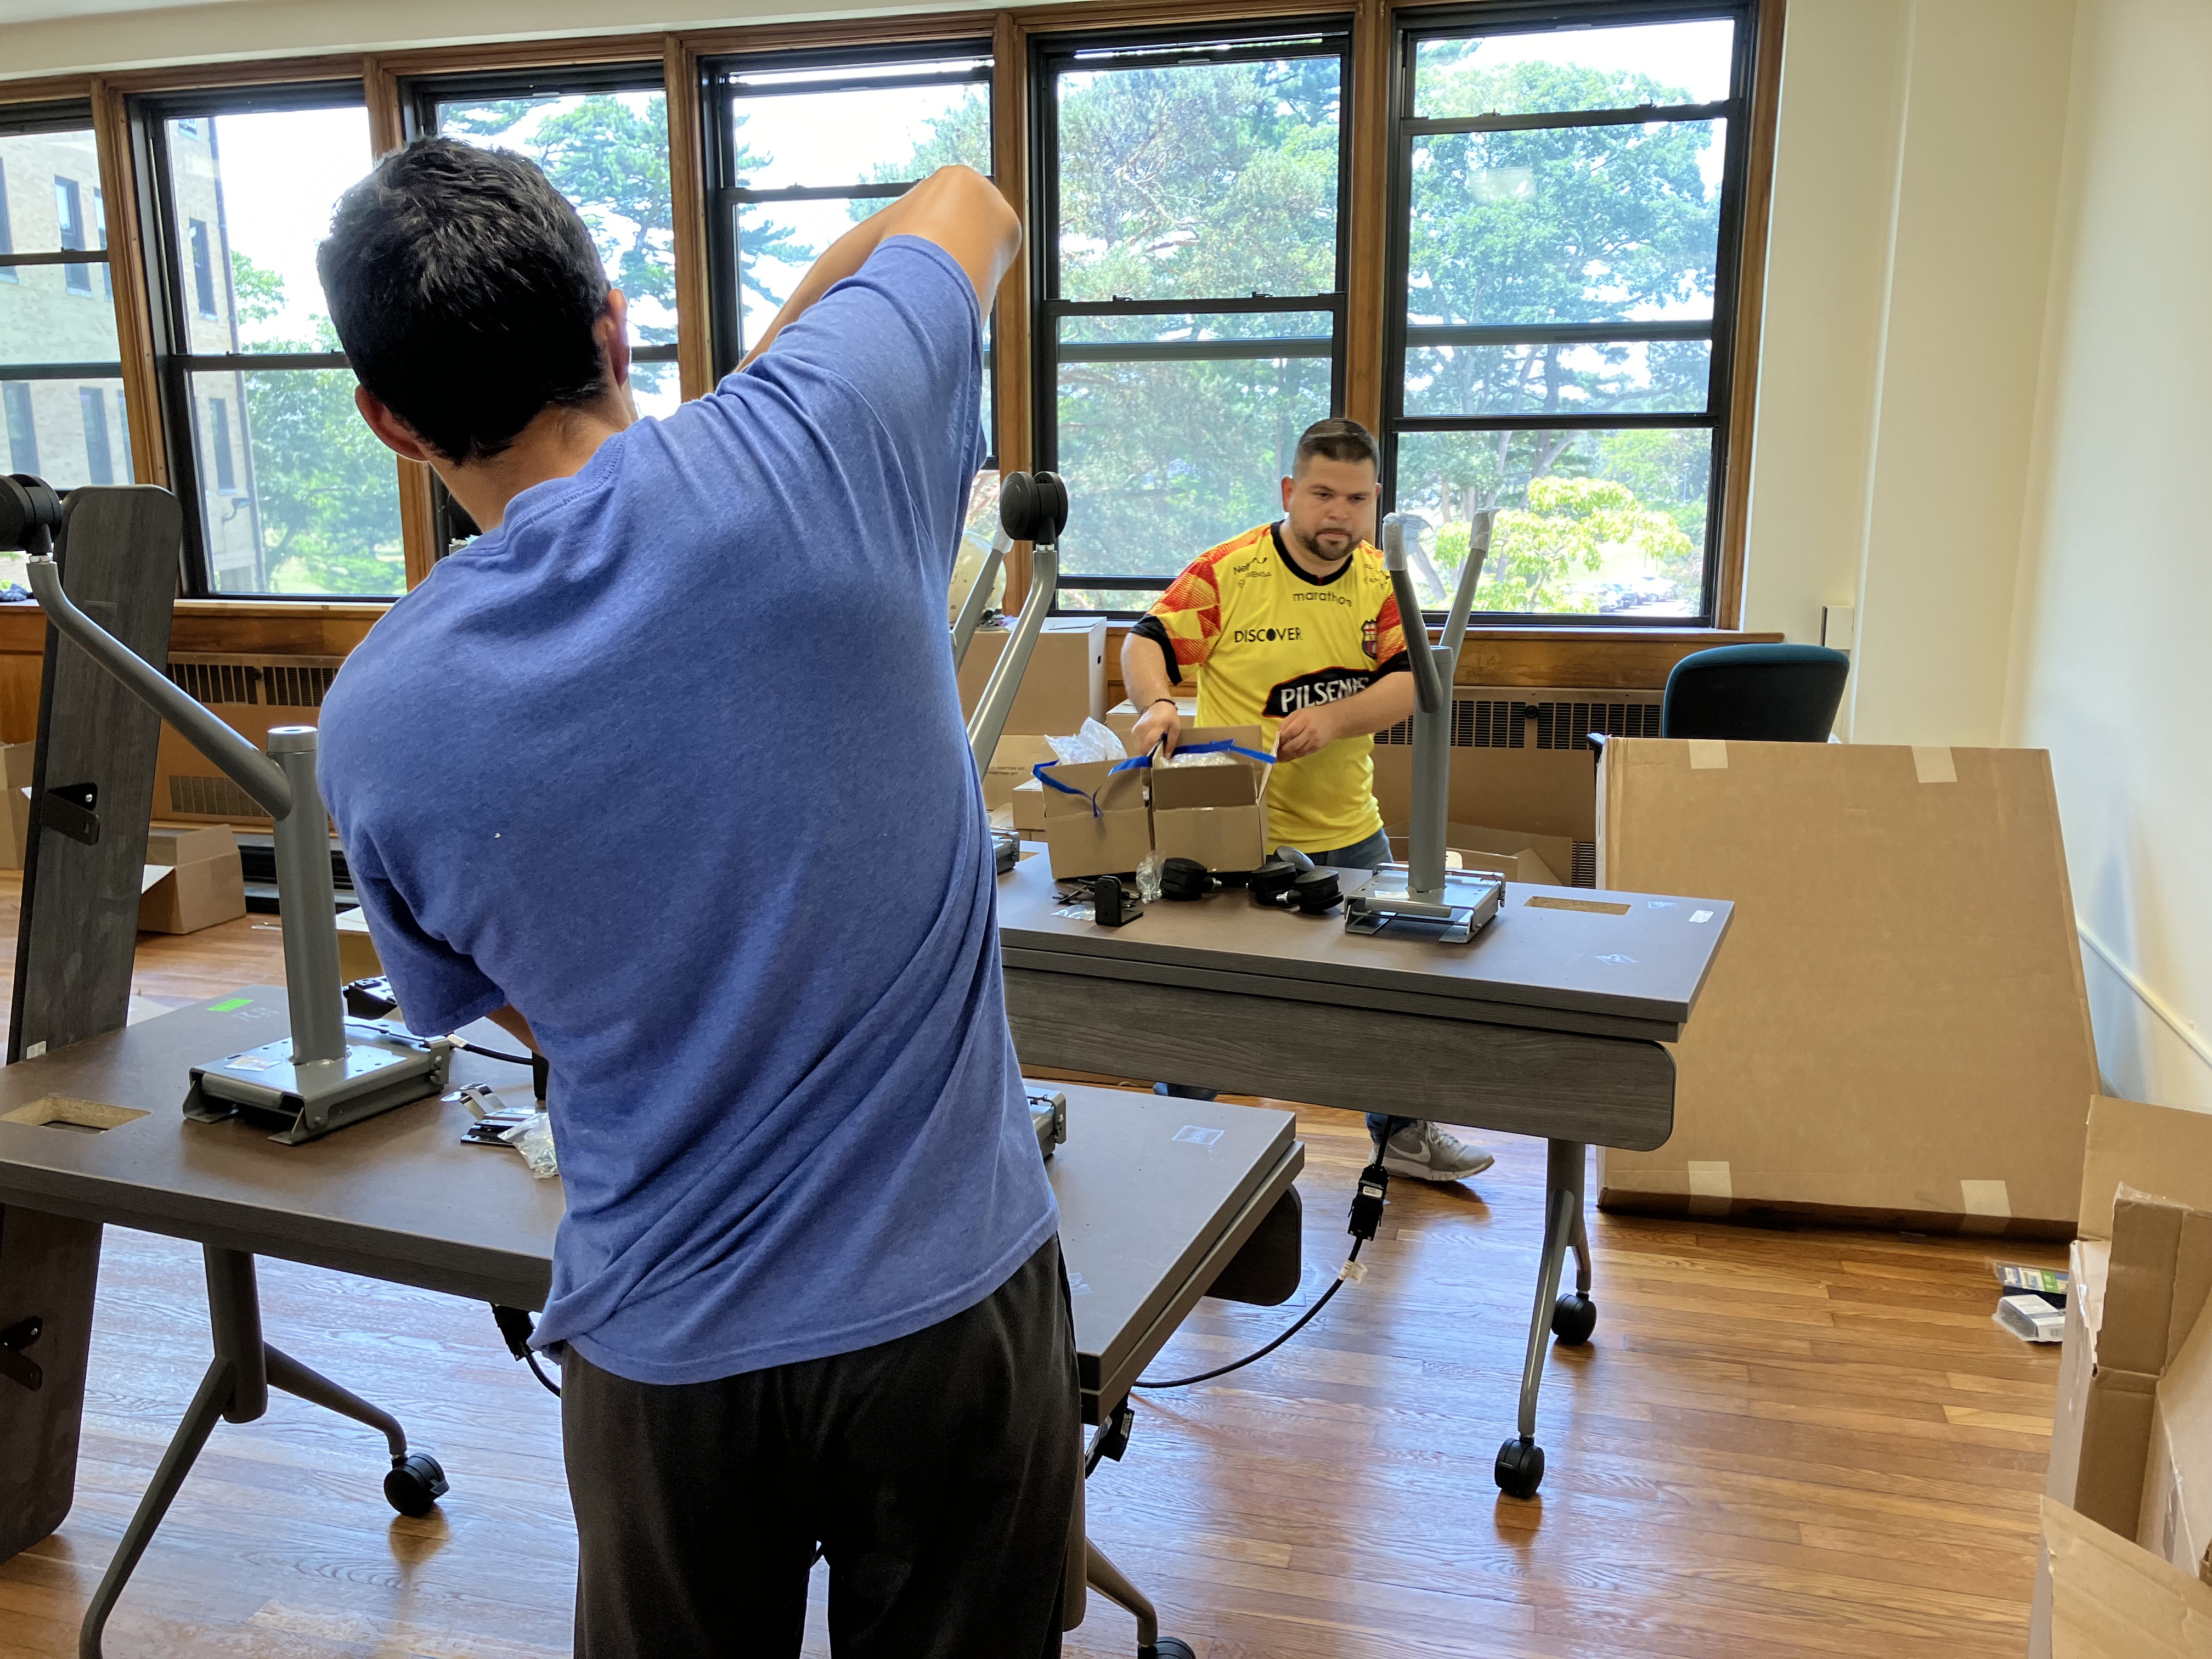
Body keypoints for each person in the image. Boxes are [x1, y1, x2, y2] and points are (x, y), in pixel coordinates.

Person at [313, 139, 1074, 1659]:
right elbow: (968, 203)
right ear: (613, 326)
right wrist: (757, 404)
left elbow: (524, 1006)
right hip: (948, 1318)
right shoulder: (825, 440)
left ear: (388, 419)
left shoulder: (379, 717)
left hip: (666, 1357)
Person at [1121, 417, 1493, 1185]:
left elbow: (1413, 682)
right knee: (1212, 1002)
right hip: (1239, 832)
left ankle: (1403, 1136)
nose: (1339, 513)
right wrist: (1158, 702)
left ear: (1376, 502)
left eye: (1356, 499)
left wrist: (1331, 719)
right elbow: (1148, 639)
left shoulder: (1381, 582)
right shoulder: (1229, 572)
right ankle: (1177, 1138)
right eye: (1322, 494)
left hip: (1350, 830)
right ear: (1290, 491)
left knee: (1393, 991)